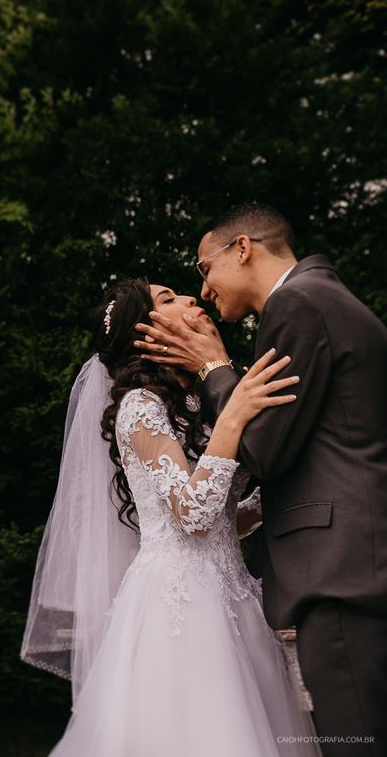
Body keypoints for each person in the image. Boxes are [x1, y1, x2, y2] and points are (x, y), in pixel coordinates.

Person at [23, 277, 320, 756]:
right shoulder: (140, 407)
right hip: (182, 604)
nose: (189, 298)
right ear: (146, 334)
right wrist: (233, 419)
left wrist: (277, 501)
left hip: (234, 592)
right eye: (168, 299)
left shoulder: (200, 402)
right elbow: (194, 517)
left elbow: (222, 519)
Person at [134, 203, 387, 756]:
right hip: (356, 565)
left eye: (203, 270)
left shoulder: (297, 303)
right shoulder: (325, 298)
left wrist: (213, 368)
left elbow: (263, 449)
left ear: (242, 249)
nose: (202, 292)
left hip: (340, 576)